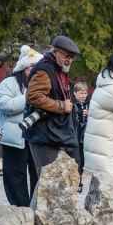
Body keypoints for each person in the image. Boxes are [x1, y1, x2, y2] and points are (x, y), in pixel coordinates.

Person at [24, 36, 80, 176]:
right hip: (44, 134)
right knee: (47, 180)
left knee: (48, 182)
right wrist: (62, 106)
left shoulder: (57, 68)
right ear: (55, 52)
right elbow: (33, 96)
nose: (70, 60)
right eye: (67, 56)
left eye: (72, 57)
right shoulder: (45, 69)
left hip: (52, 133)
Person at [0, 45, 42, 207]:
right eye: (31, 67)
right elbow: (5, 105)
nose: (35, 71)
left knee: (38, 174)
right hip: (14, 136)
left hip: (38, 136)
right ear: (22, 69)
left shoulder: (44, 85)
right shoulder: (8, 83)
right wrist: (30, 96)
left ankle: (36, 207)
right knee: (15, 175)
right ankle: (20, 209)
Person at [70, 81, 89, 193]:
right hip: (75, 137)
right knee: (77, 161)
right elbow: (72, 120)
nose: (83, 95)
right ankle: (78, 182)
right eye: (81, 93)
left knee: (83, 161)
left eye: (85, 93)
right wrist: (80, 114)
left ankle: (79, 180)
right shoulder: (73, 104)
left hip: (84, 137)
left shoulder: (87, 104)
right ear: (75, 93)